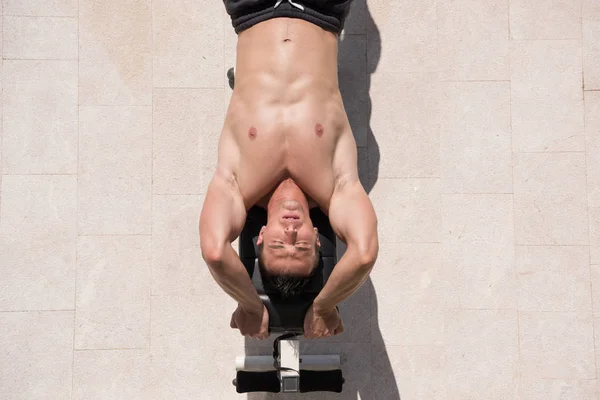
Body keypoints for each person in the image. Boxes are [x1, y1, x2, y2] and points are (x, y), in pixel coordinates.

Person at [199, 0, 379, 340]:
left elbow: (213, 251)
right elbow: (364, 253)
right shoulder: (337, 185)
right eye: (302, 248)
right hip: (321, 10)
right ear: (318, 240)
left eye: (279, 246)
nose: (291, 235)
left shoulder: (236, 185)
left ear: (261, 237)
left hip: (251, 10)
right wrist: (324, 306)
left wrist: (251, 306)